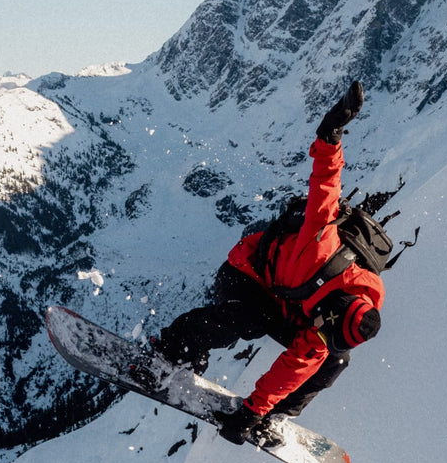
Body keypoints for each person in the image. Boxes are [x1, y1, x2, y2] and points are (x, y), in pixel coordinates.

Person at [149, 81, 382, 444]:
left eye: (325, 333)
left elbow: (298, 363)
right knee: (247, 318)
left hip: (288, 304)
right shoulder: (320, 246)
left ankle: (276, 416)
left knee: (333, 361)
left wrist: (252, 413)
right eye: (324, 328)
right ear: (332, 307)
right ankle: (172, 350)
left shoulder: (333, 325)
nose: (321, 334)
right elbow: (326, 185)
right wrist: (330, 135)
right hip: (248, 274)